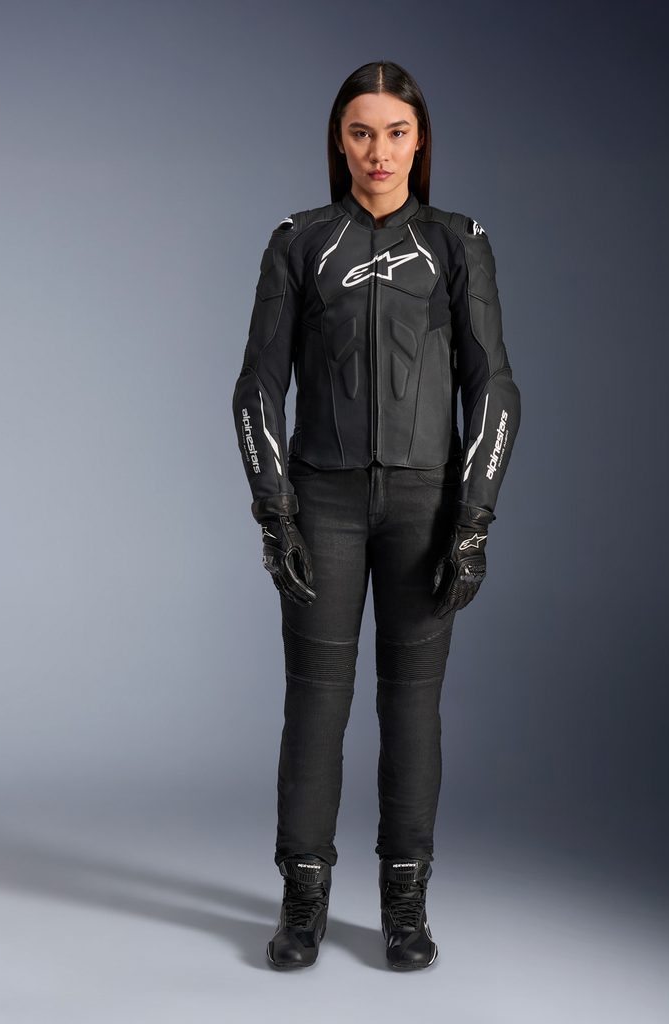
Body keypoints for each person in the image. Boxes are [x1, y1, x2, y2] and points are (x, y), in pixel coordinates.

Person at [231, 59, 521, 971]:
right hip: (320, 502)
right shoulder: (299, 242)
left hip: (425, 507)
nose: (379, 152)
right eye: (361, 132)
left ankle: (405, 903)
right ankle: (303, 899)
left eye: (396, 132)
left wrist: (473, 519)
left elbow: (495, 387)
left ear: (420, 139)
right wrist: (274, 511)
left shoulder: (458, 242)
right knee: (315, 705)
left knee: (413, 708)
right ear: (339, 140)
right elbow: (255, 388)